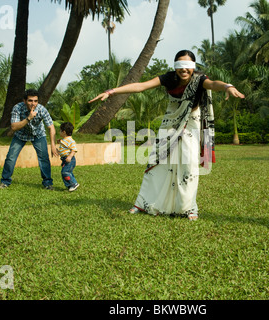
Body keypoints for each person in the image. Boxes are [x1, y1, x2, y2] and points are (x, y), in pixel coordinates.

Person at [89, 50, 245, 220]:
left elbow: (214, 84)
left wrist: (227, 86)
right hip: (170, 123)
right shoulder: (169, 78)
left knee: (189, 164)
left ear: (193, 67)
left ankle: (188, 208)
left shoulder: (200, 79)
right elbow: (141, 86)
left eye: (188, 66)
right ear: (175, 66)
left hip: (192, 123)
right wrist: (112, 91)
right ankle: (143, 204)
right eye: (180, 65)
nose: (183, 69)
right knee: (158, 162)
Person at [0, 89, 59, 189]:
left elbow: (51, 127)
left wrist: (53, 145)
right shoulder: (17, 108)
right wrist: (28, 118)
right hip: (20, 134)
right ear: (25, 101)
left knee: (44, 158)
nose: (33, 103)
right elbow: (13, 127)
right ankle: (5, 181)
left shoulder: (41, 109)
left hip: (38, 135)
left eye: (35, 101)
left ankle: (47, 183)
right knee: (11, 157)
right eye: (30, 100)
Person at [57, 122, 79, 192]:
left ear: (64, 132)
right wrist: (60, 142)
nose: (59, 132)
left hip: (70, 160)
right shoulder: (65, 140)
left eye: (60, 130)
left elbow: (74, 149)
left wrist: (70, 156)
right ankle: (72, 184)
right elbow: (64, 145)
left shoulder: (70, 140)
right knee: (69, 172)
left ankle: (73, 184)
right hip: (65, 160)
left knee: (65, 172)